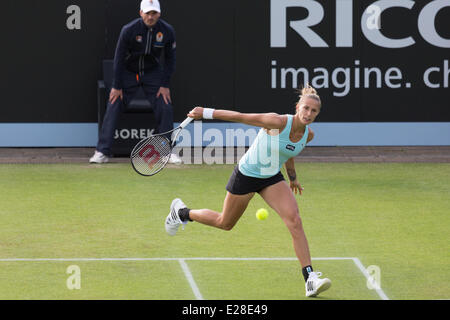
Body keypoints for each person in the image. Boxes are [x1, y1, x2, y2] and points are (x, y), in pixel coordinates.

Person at [165, 85, 332, 297]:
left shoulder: (308, 135)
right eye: (305, 108)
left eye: (313, 111)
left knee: (294, 221)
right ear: (297, 107)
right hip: (247, 174)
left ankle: (309, 278)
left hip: (271, 177)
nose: (308, 114)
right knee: (224, 223)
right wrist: (205, 112)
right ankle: (181, 213)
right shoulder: (277, 122)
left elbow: (289, 151)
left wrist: (292, 177)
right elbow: (240, 117)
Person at [90, 0, 182, 164]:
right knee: (114, 104)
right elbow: (118, 58)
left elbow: (170, 60)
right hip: (129, 72)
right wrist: (116, 86)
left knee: (165, 105)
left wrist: (165, 84)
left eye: (154, 13)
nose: (150, 17)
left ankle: (166, 151)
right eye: (147, 13)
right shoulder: (129, 30)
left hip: (152, 73)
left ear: (159, 14)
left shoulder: (167, 31)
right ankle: (102, 151)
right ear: (141, 13)